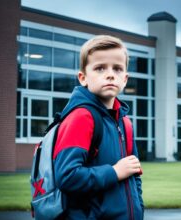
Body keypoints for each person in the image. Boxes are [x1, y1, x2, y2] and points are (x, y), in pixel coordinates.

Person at [53, 35, 143, 220]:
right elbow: (67, 176)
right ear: (83, 78)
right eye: (100, 68)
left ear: (125, 79)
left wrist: (138, 209)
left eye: (117, 69)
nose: (110, 74)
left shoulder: (125, 122)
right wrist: (115, 172)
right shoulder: (81, 117)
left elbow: (134, 174)